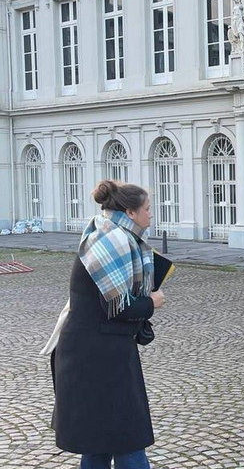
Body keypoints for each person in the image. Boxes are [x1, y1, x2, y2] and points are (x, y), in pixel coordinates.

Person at [53, 180, 165, 469]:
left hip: (98, 351)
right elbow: (119, 305)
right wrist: (153, 301)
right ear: (130, 212)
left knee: (99, 441)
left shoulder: (111, 233)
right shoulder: (113, 240)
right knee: (126, 440)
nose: (151, 215)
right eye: (147, 209)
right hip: (96, 356)